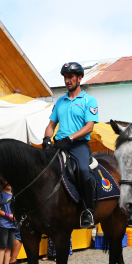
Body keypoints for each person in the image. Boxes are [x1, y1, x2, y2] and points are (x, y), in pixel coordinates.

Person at [44, 62, 99, 228]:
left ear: (79, 78)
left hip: (78, 146)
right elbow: (51, 125)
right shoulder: (60, 101)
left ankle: (88, 211)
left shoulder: (89, 100)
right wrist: (47, 138)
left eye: (71, 77)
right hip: (59, 145)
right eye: (65, 77)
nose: (67, 80)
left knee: (83, 171)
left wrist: (70, 138)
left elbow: (89, 126)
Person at [0, 184, 19, 264]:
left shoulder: (14, 194)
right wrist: (8, 215)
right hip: (3, 224)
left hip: (13, 225)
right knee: (2, 247)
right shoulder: (0, 195)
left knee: (9, 247)